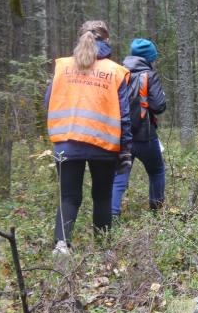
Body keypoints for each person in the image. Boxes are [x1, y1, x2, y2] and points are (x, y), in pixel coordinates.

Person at [45, 21, 132, 255]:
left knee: (69, 196)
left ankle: (61, 246)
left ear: (80, 38)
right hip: (104, 145)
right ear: (107, 40)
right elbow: (124, 116)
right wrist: (125, 151)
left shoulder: (62, 67)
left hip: (66, 142)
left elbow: (48, 102)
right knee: (102, 197)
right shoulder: (115, 71)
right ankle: (103, 249)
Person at [112, 39, 167, 213]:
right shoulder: (149, 75)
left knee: (119, 177)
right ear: (148, 58)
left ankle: (112, 216)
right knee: (157, 171)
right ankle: (156, 212)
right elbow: (159, 106)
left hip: (121, 135)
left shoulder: (118, 72)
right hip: (145, 136)